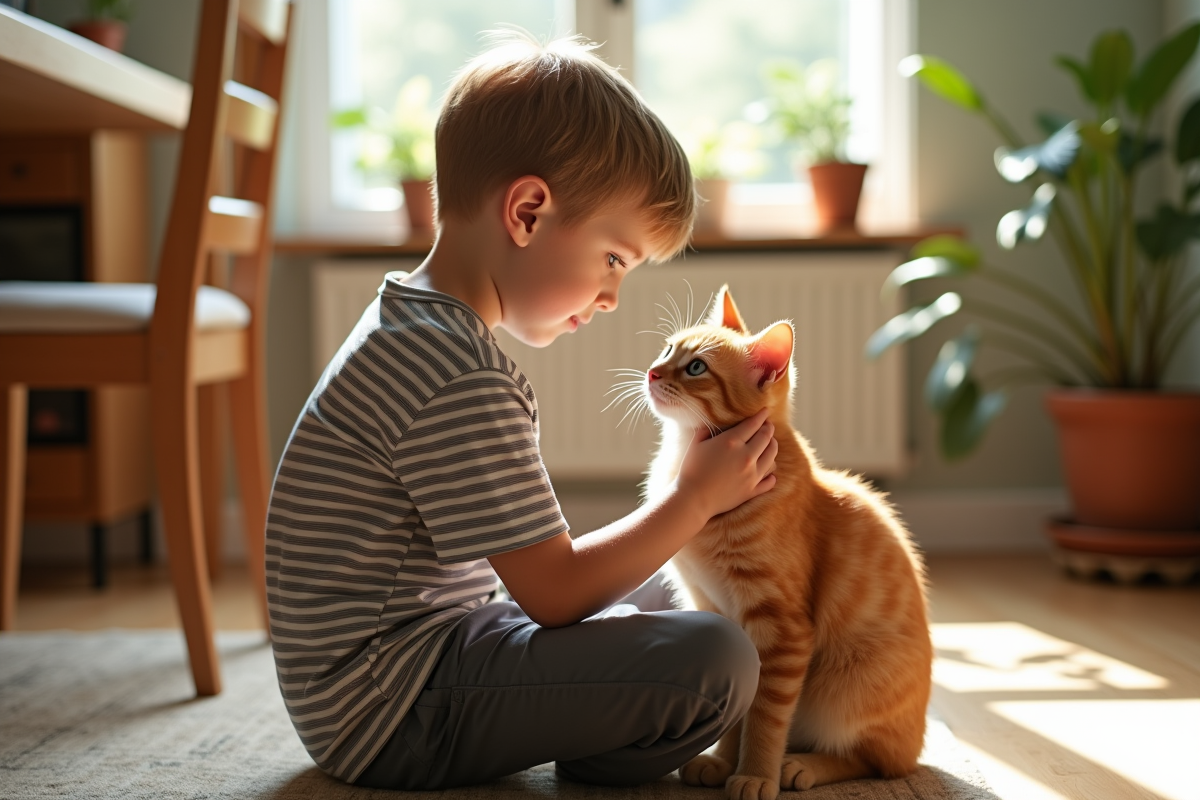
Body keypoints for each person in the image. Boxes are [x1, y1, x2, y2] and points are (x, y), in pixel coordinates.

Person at [265, 30, 778, 791]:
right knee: (719, 658)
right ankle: (595, 744)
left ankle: (580, 713)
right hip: (394, 712)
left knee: (671, 581)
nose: (611, 297)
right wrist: (696, 496)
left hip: (405, 664)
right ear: (529, 212)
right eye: (614, 260)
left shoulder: (411, 323)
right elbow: (555, 591)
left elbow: (535, 584)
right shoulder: (456, 370)